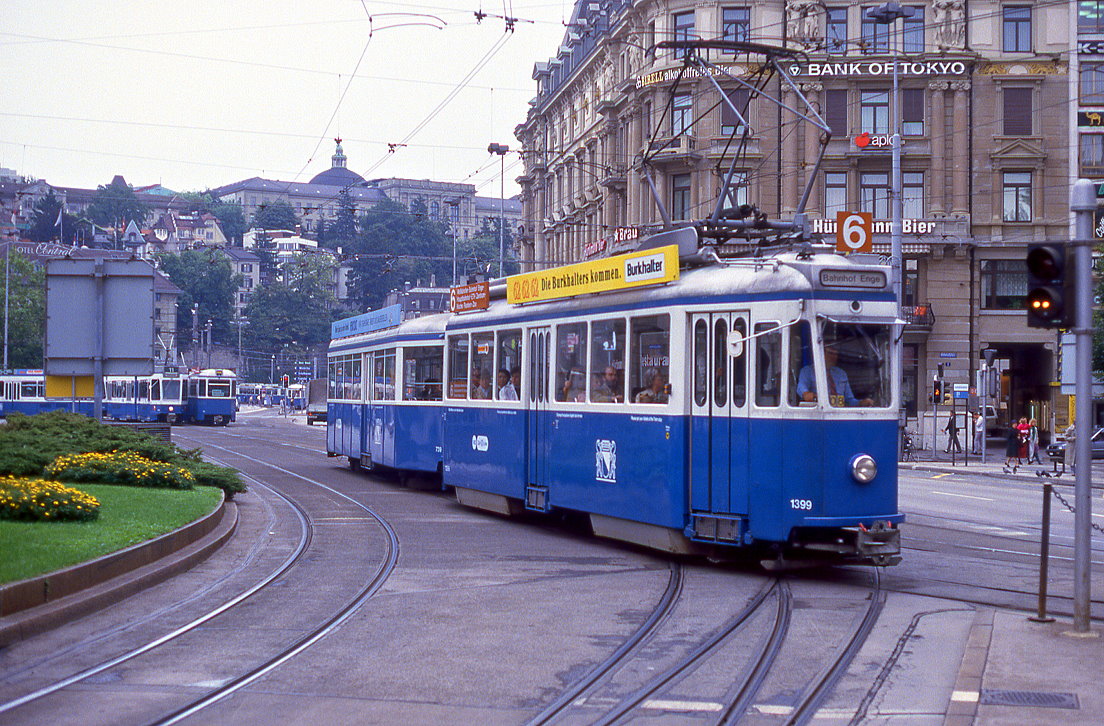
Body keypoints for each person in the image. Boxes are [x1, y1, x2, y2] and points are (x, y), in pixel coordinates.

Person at [796, 345, 873, 407]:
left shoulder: (841, 373)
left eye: (836, 354)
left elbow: (849, 401)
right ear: (821, 354)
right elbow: (802, 390)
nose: (834, 357)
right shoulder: (807, 371)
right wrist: (810, 395)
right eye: (831, 353)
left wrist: (861, 403)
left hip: (839, 415)